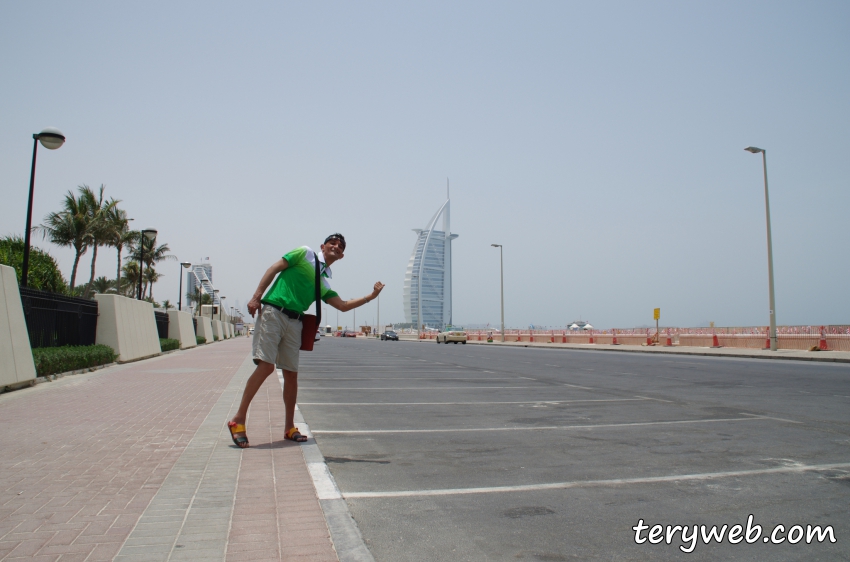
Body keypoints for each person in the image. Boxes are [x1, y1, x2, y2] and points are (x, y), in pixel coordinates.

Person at [227, 233, 384, 448]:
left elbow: (343, 305)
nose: (336, 246)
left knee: (291, 374)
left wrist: (371, 296)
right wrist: (256, 296)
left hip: (295, 322)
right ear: (323, 246)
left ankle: (289, 427)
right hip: (274, 311)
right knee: (266, 367)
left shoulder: (324, 281)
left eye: (340, 246)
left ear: (342, 255)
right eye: (333, 243)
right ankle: (239, 419)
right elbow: (274, 268)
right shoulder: (304, 253)